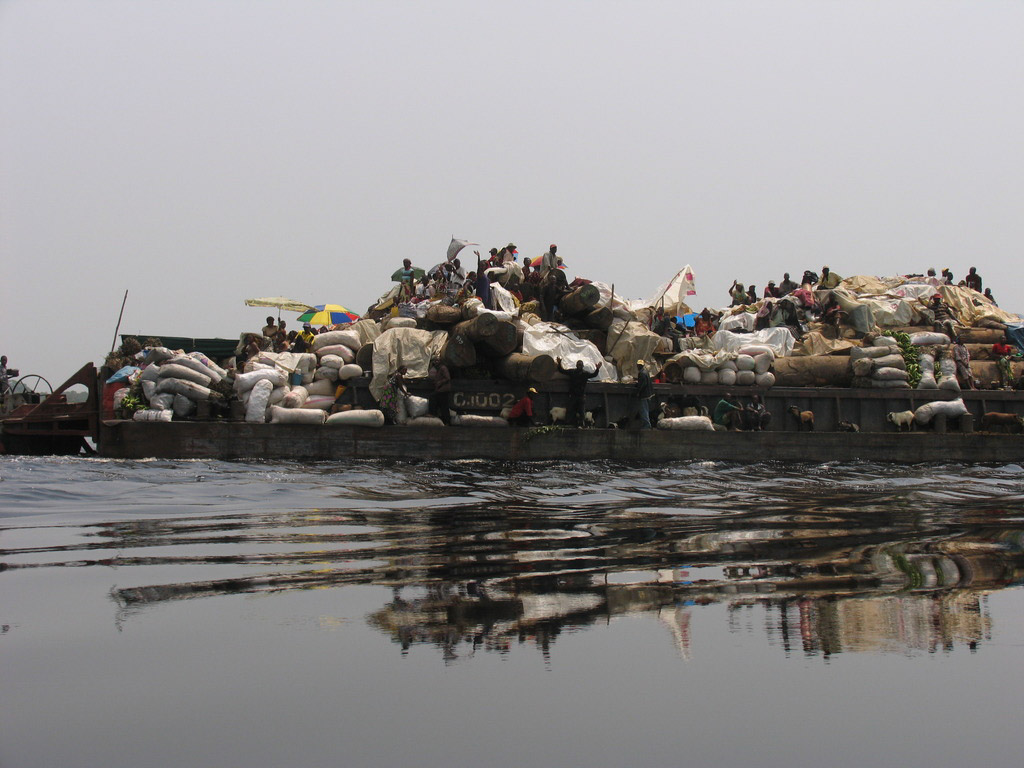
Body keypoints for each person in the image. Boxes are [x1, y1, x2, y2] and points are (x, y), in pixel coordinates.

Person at [557, 357, 602, 427]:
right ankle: (568, 423)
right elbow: (562, 371)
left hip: (580, 395)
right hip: (573, 395)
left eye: (580, 365)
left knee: (581, 411)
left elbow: (593, 375)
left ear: (582, 366)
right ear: (576, 365)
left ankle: (581, 423)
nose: (579, 366)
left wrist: (597, 369)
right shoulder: (573, 372)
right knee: (570, 410)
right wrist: (559, 363)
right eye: (578, 364)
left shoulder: (584, 373)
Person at [427, 357, 451, 425]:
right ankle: (445, 420)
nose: (435, 362)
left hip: (443, 389)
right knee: (443, 405)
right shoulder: (438, 369)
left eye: (437, 361)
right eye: (435, 361)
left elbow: (447, 378)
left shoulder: (443, 368)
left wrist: (440, 382)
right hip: (440, 389)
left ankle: (433, 413)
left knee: (435, 399)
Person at [635, 360, 653, 428]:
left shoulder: (641, 373)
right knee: (646, 409)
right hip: (648, 394)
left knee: (644, 410)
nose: (638, 366)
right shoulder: (646, 372)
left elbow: (643, 384)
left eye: (639, 365)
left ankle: (646, 425)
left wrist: (638, 392)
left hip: (644, 395)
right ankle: (646, 424)